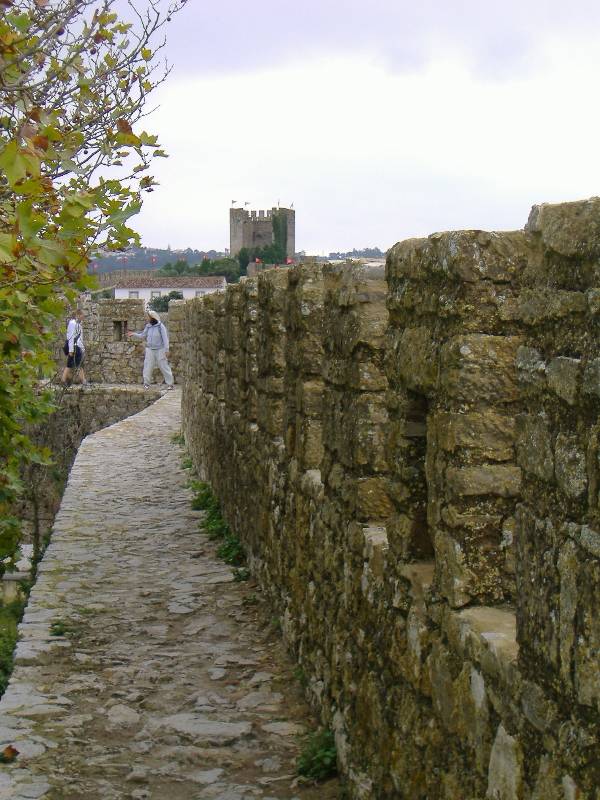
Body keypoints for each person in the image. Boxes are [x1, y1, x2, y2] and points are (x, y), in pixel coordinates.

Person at [127, 309, 175, 390]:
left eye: (148, 317)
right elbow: (143, 336)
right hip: (150, 349)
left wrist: (167, 350)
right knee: (148, 366)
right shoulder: (148, 326)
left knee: (163, 366)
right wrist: (133, 334)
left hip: (160, 349)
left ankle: (170, 384)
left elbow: (165, 339)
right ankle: (146, 383)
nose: (146, 318)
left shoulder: (161, 326)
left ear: (152, 317)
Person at [62, 309, 86, 385]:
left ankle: (82, 380)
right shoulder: (72, 323)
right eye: (82, 316)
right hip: (73, 346)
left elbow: (80, 338)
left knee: (79, 364)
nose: (83, 317)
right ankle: (64, 380)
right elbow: (71, 337)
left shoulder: (79, 325)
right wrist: (71, 350)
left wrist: (82, 348)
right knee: (70, 364)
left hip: (78, 346)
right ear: (78, 315)